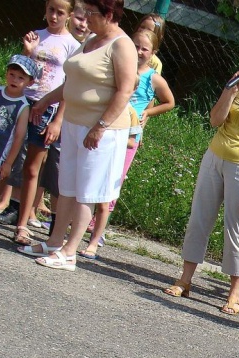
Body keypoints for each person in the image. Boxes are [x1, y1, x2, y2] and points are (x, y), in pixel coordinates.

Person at [163, 34, 239, 310]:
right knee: (199, 217)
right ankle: (185, 280)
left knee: (237, 227)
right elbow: (215, 119)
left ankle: (234, 291)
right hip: (215, 156)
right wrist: (231, 91)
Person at [15, 0, 138, 271]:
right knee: (68, 186)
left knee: (87, 192)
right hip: (73, 124)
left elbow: (125, 90)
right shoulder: (92, 39)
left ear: (108, 14)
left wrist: (100, 125)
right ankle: (55, 242)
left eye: (90, 13)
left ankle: (70, 252)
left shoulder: (122, 45)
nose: (84, 19)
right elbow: (73, 81)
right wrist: (46, 100)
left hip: (101, 132)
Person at [82, 27, 174, 258]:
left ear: (153, 52)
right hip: (107, 128)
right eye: (135, 46)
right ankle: (83, 220)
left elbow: (169, 102)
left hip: (129, 136)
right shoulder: (119, 65)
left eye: (145, 48)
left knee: (114, 181)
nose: (139, 51)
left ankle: (98, 228)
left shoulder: (153, 78)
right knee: (94, 175)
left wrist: (148, 114)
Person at [12, 0, 80, 246]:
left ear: (69, 15)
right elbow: (20, 72)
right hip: (23, 103)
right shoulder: (36, 36)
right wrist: (28, 51)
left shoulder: (73, 46)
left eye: (60, 12)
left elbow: (70, 86)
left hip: (47, 110)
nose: (54, 16)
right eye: (51, 10)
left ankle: (22, 225)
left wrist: (58, 120)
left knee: (32, 168)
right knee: (7, 160)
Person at [0, 56, 37, 232]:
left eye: (21, 78)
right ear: (6, 74)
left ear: (29, 82)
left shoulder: (23, 106)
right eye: (12, 74)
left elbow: (19, 137)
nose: (15, 80)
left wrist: (9, 163)